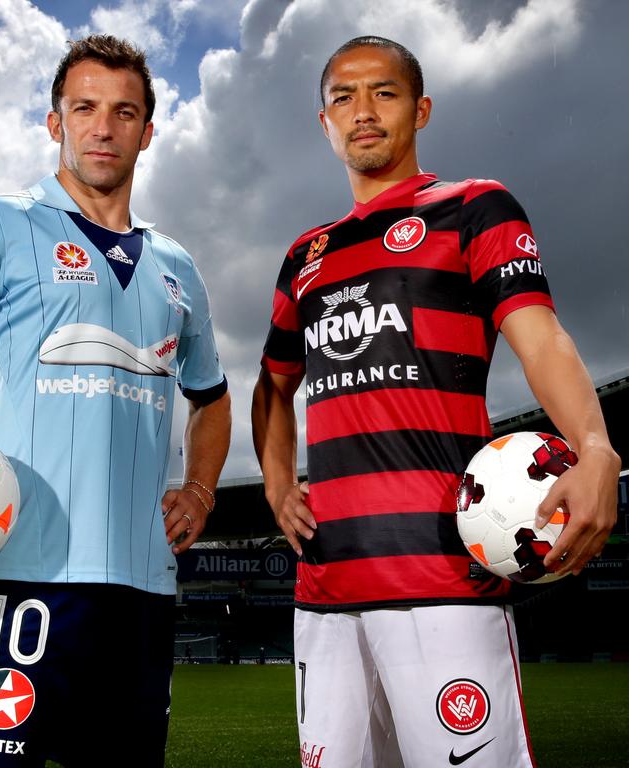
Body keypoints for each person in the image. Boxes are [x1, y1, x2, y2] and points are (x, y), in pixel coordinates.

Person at [0, 35, 231, 767]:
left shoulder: (178, 267)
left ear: (148, 131)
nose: (104, 127)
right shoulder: (0, 223)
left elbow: (212, 398)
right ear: (55, 123)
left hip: (143, 591)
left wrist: (201, 489)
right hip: (23, 579)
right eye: (85, 108)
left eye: (124, 112)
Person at [252, 36, 619, 768]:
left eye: (383, 93)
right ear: (322, 121)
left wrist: (597, 445)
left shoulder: (472, 208)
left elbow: (540, 339)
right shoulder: (305, 256)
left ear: (419, 109)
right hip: (325, 584)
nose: (362, 112)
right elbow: (273, 383)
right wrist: (274, 482)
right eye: (342, 98)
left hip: (443, 573)